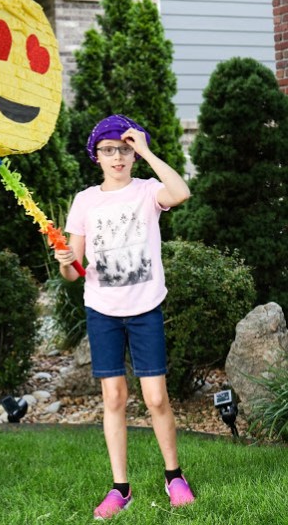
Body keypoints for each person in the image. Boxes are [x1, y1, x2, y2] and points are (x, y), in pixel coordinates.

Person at [54, 114, 195, 520]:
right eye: (108, 150)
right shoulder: (85, 200)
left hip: (145, 308)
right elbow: (73, 272)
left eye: (125, 149)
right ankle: (121, 488)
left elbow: (181, 192)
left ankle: (174, 477)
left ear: (134, 154)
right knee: (114, 398)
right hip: (103, 312)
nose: (117, 156)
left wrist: (147, 150)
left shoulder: (148, 191)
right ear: (96, 156)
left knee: (156, 398)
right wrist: (65, 260)